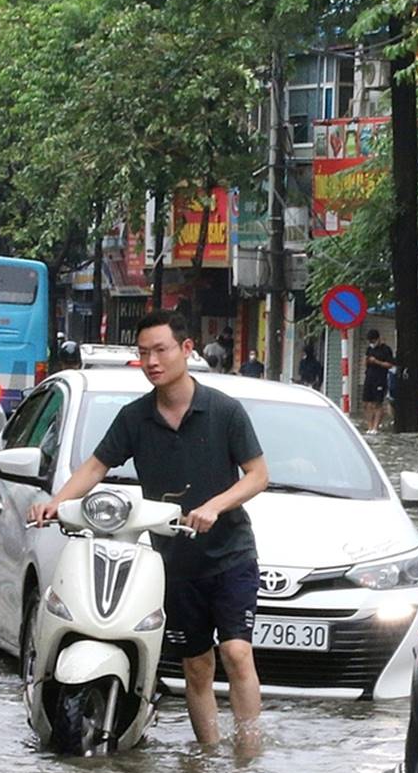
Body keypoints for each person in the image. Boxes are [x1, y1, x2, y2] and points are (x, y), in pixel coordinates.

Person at [32, 307, 269, 747]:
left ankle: (248, 757)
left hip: (230, 553)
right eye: (143, 353)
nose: (152, 362)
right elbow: (96, 466)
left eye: (160, 350)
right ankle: (207, 756)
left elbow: (258, 475)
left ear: (186, 349)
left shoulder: (224, 411)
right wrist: (57, 502)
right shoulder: (135, 417)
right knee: (196, 664)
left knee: (236, 652)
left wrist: (214, 507)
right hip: (173, 559)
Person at [359, 328, 395, 432]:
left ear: (378, 339)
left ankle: (376, 427)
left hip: (380, 379)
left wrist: (377, 362)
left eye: (373, 341)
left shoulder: (386, 349)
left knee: (377, 403)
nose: (372, 343)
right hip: (369, 378)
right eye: (370, 341)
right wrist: (366, 361)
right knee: (366, 403)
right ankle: (370, 426)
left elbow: (389, 365)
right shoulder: (369, 349)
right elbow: (365, 364)